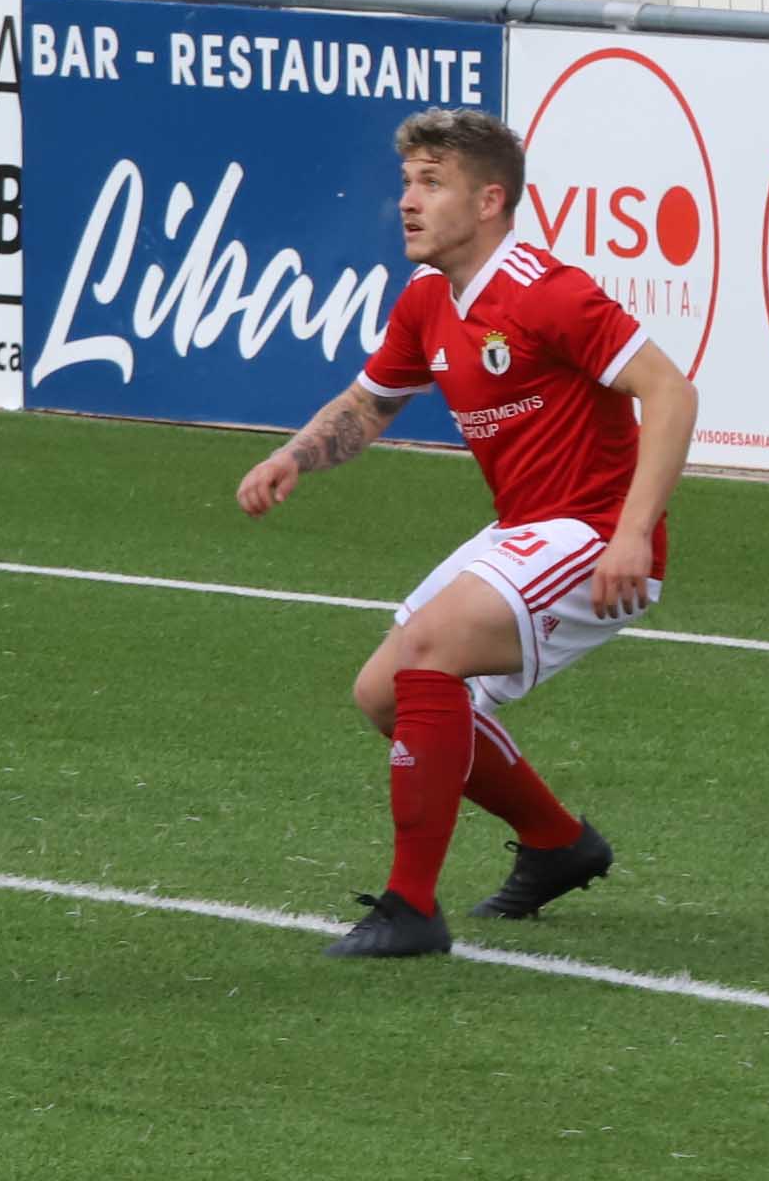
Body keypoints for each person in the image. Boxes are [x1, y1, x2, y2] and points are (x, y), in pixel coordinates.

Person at [236, 107, 698, 958]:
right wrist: (295, 455)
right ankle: (559, 843)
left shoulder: (546, 291)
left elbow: (670, 392)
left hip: (593, 533)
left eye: (431, 183)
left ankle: (411, 908)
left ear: (490, 201)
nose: (408, 202)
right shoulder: (428, 300)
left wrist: (633, 534)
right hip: (527, 528)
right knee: (383, 694)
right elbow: (372, 400)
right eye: (407, 181)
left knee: (427, 654)